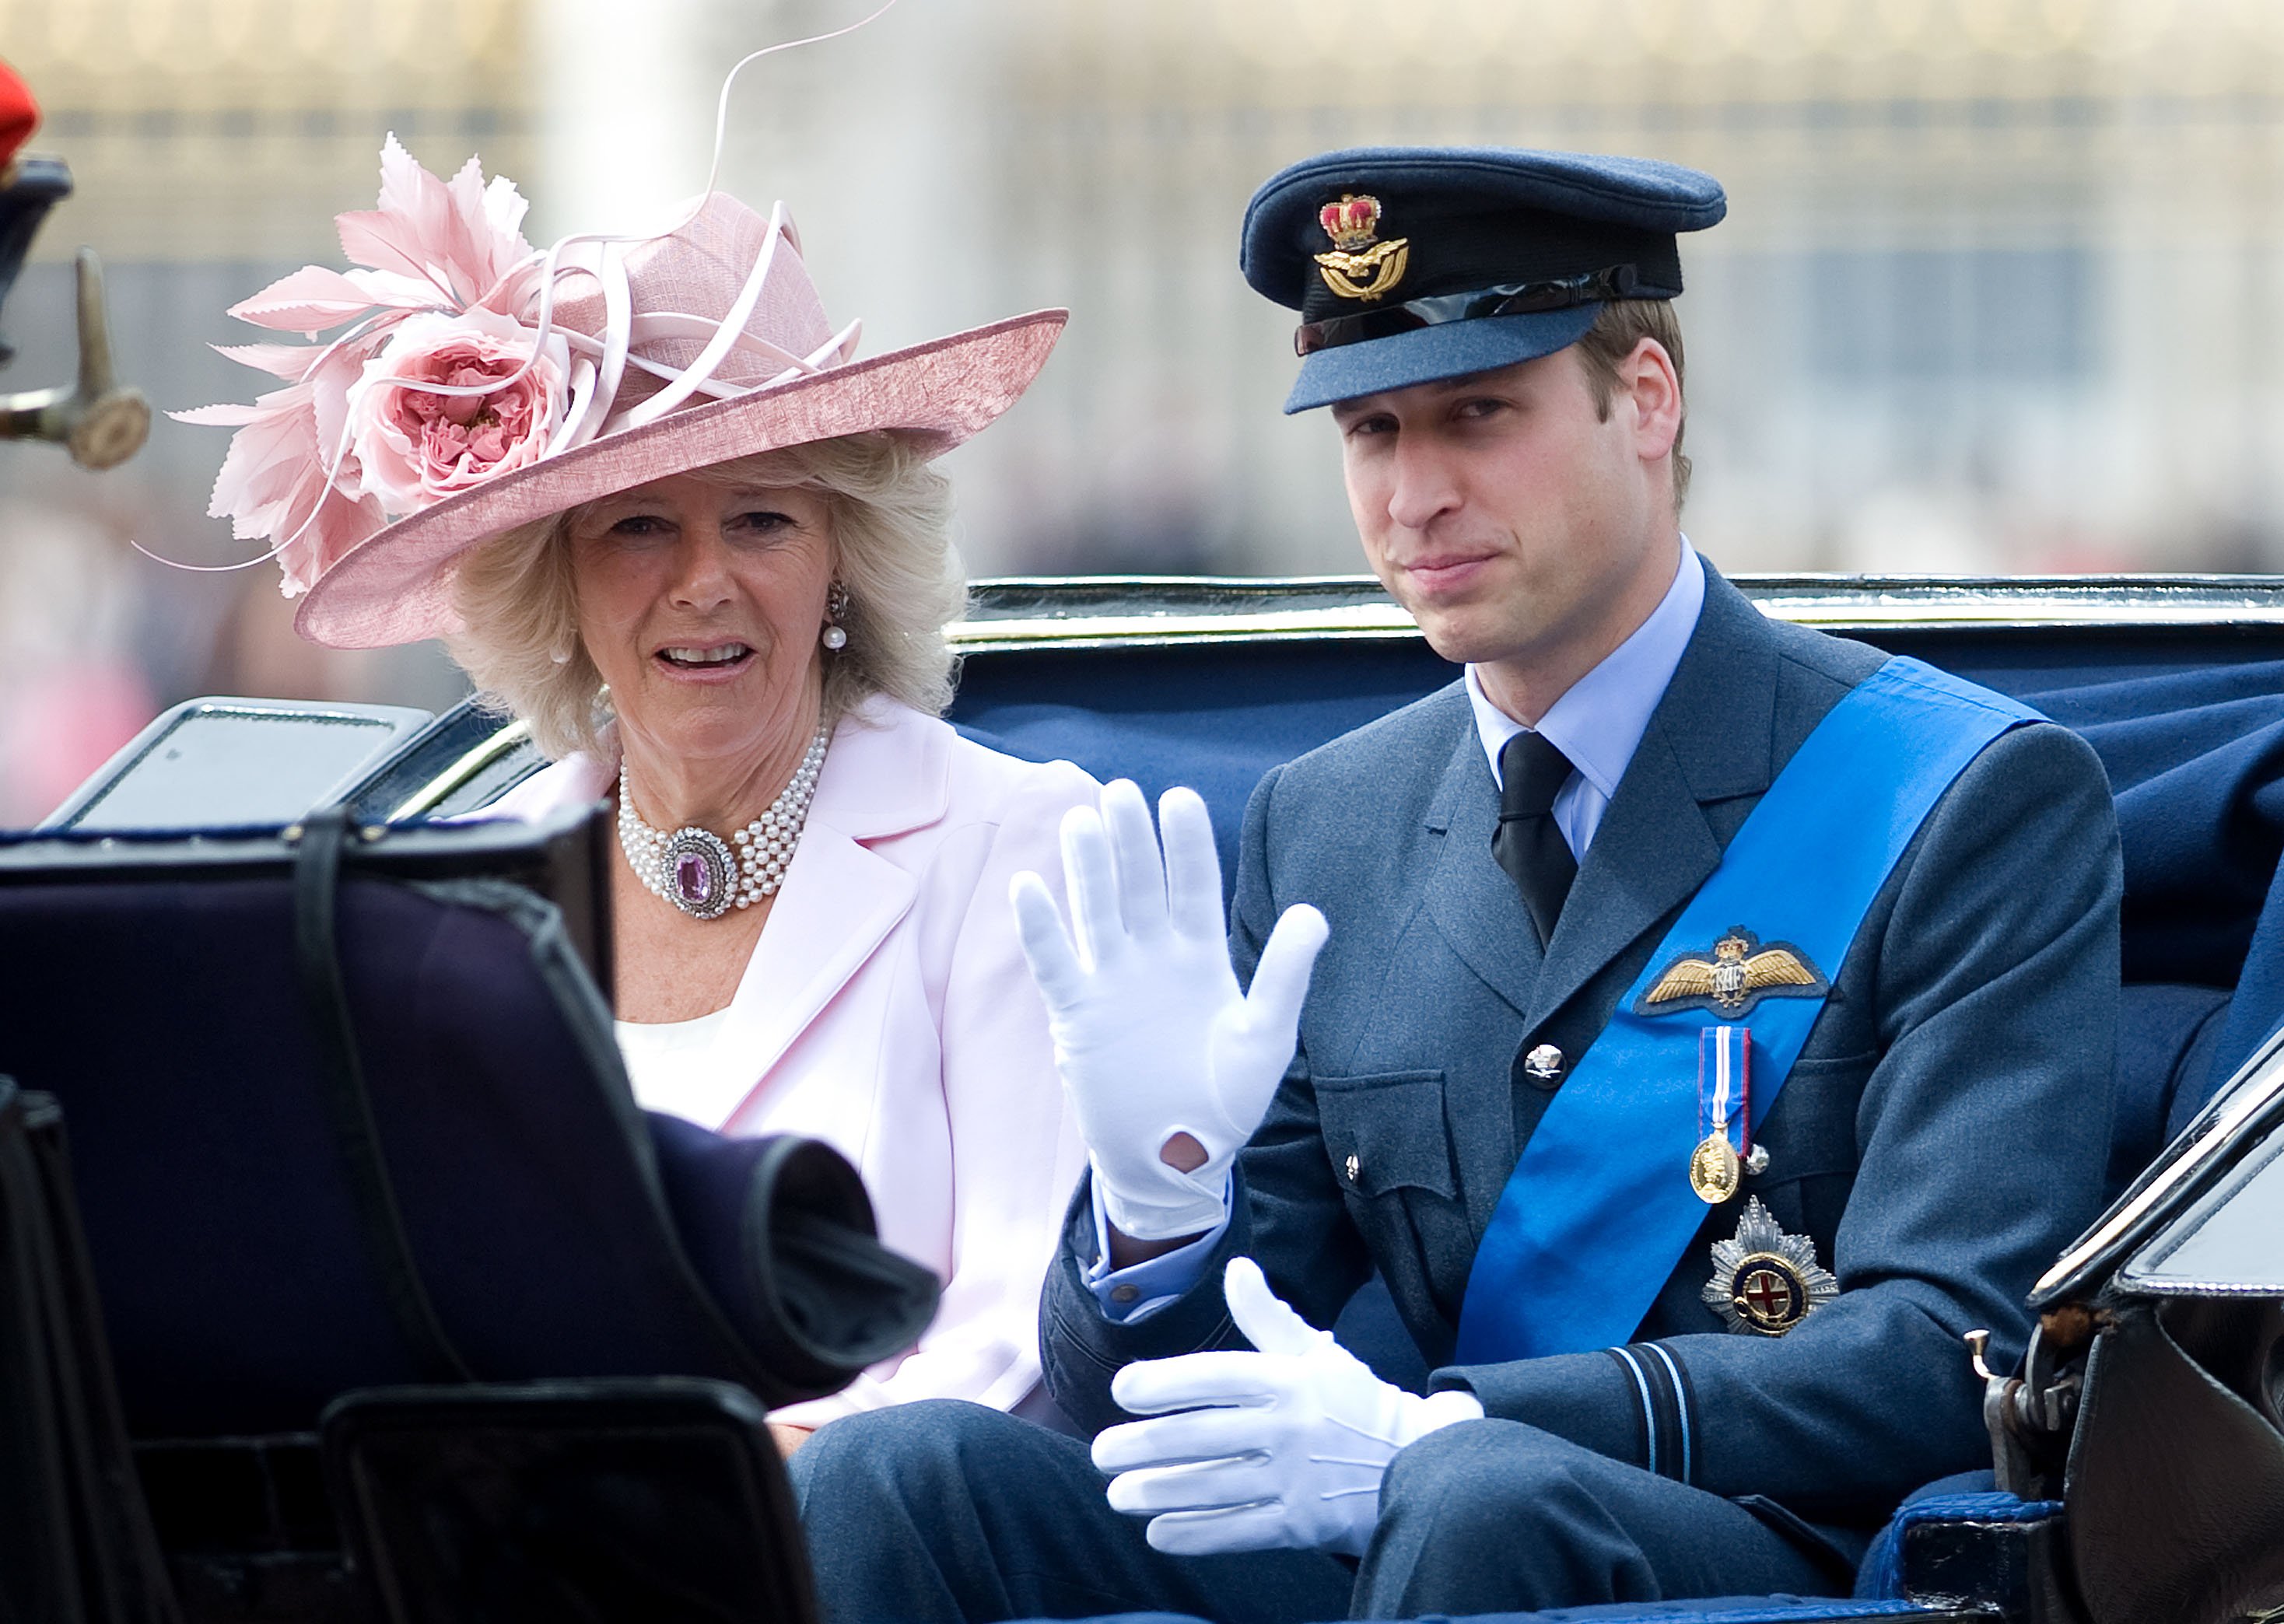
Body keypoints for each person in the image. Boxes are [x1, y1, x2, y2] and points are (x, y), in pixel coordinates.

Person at [791, 146, 2124, 1615]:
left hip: (1751, 1553)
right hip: (1403, 1526)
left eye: (1478, 416)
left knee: (1474, 1497)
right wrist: (1154, 1210)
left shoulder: (1957, 796)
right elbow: (1151, 1393)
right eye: (1372, 431)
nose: (1416, 495)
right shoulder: (1331, 820)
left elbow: (1954, 1353)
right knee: (895, 1474)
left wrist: (1460, 1431)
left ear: (1647, 404)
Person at [182, 140, 1094, 1441]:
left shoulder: (1013, 844)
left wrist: (743, 1478)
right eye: (640, 526)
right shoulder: (461, 889)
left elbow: (1018, 1322)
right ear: (556, 587)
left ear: (843, 561)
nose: (703, 581)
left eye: (764, 521)